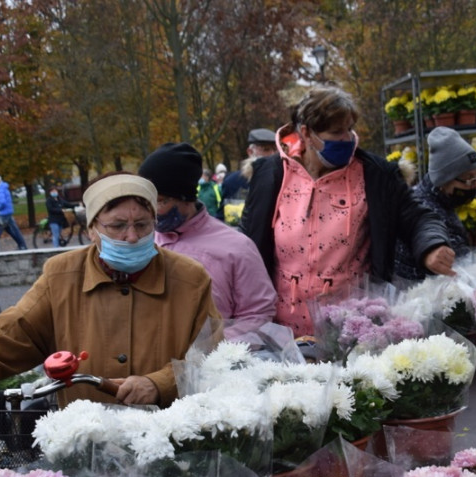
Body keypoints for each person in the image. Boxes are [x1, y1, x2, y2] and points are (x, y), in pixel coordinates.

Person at [0, 173, 222, 409]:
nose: (132, 236)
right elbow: (8, 335)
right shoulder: (63, 275)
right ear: (93, 229)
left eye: (142, 224)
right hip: (85, 442)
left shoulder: (189, 279)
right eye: (117, 225)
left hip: (172, 436)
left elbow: (211, 356)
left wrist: (159, 383)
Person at [240, 84, 454, 337]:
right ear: (307, 134)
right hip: (282, 330)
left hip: (352, 329)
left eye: (349, 129)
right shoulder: (269, 174)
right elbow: (247, 238)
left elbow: (418, 218)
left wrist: (432, 246)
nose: (347, 139)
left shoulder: (375, 174)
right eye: (336, 132)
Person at [138, 142, 276, 336]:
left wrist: (212, 347)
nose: (150, 211)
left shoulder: (236, 247)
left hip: (211, 361)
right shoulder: (139, 240)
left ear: (185, 197)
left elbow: (258, 314)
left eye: (160, 201)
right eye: (145, 201)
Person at [397, 127, 476, 274]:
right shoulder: (428, 212)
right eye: (469, 178)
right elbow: (463, 270)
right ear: (443, 181)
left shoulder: (439, 200)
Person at [220, 128, 277, 201]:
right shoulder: (233, 182)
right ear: (250, 152)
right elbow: (224, 211)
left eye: (276, 150)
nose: (273, 154)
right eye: (266, 149)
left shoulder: (284, 182)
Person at [0, 172, 28, 249]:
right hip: (7, 212)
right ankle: (22, 245)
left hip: (3, 213)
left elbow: (2, 202)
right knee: (12, 230)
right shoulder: (2, 188)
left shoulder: (0, 190)